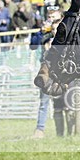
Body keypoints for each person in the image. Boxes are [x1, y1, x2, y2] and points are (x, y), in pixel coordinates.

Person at [31, 9, 62, 138]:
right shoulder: (45, 35)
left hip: (62, 73)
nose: (51, 20)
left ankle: (63, 132)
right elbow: (32, 45)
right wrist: (41, 32)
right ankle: (40, 130)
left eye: (54, 18)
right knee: (44, 102)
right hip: (46, 72)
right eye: (49, 17)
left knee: (62, 103)